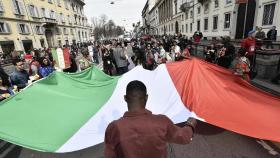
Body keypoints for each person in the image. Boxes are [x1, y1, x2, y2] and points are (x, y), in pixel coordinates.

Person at [105, 80, 196, 158]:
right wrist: (191, 123)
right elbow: (185, 137)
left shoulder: (113, 128)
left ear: (125, 98)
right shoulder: (161, 122)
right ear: (147, 97)